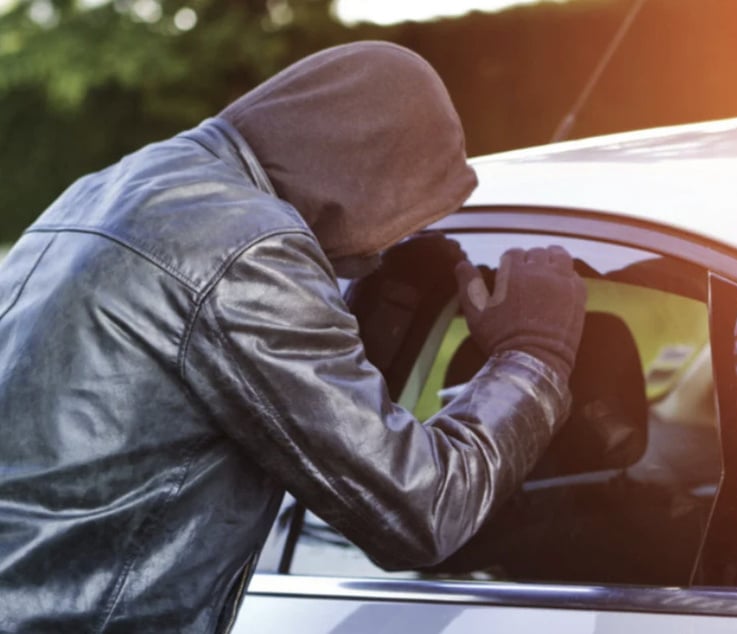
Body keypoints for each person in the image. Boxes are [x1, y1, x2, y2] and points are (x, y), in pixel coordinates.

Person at [0, 41, 587, 632]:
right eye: (399, 219)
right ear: (365, 168)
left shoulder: (106, 191)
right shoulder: (248, 249)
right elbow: (420, 509)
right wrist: (534, 356)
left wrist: (388, 314)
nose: (380, 254)